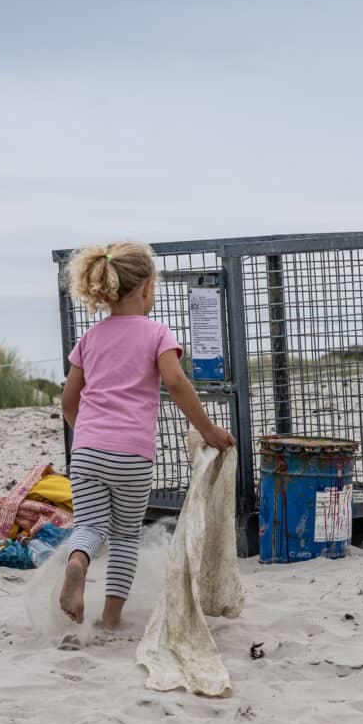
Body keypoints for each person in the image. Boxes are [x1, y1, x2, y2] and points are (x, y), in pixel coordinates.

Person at [58, 241, 234, 627]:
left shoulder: (88, 340)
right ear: (147, 288)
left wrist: (87, 433)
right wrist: (207, 429)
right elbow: (176, 382)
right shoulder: (157, 334)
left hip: (87, 451)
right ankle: (110, 619)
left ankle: (77, 564)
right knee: (123, 538)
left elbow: (69, 399)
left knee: (89, 526)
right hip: (132, 457)